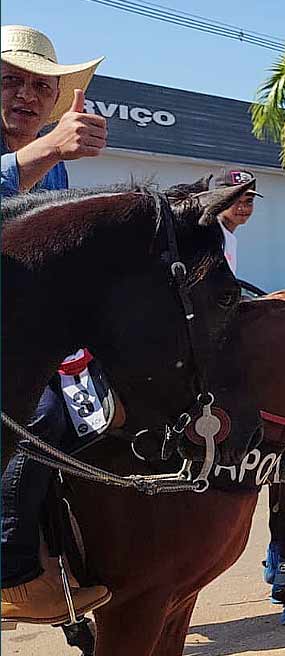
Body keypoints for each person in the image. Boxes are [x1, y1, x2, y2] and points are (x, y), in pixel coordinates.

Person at [1, 24, 112, 623]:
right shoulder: (48, 153)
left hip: (29, 329)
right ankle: (13, 574)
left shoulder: (58, 165)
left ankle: (59, 546)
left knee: (98, 404)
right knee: (41, 415)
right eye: (10, 80)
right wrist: (46, 151)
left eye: (40, 87)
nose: (26, 95)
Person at [210, 167, 261, 275]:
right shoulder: (210, 234)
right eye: (235, 200)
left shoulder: (228, 237)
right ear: (218, 199)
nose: (242, 208)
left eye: (249, 201)